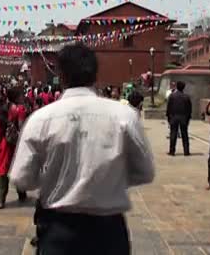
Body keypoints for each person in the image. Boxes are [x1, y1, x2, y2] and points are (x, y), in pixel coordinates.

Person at [10, 44, 155, 255]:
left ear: (62, 76)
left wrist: (55, 178)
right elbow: (145, 172)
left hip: (59, 230)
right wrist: (110, 178)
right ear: (95, 75)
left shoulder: (41, 119)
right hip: (109, 232)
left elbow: (22, 179)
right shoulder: (125, 116)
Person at [0, 88, 28, 209]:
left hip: (4, 142)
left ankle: (0, 199)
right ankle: (22, 193)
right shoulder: (20, 109)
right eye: (21, 95)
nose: (23, 97)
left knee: (2, 170)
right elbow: (22, 126)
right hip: (16, 143)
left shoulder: (4, 108)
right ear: (17, 97)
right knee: (19, 168)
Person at [166, 81, 192, 156]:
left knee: (173, 134)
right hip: (183, 118)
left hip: (174, 117)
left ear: (177, 87)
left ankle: (172, 151)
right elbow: (189, 109)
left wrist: (168, 117)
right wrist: (188, 118)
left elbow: (169, 107)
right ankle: (186, 151)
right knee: (185, 135)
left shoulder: (172, 96)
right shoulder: (186, 97)